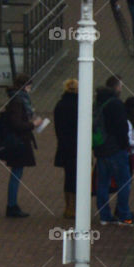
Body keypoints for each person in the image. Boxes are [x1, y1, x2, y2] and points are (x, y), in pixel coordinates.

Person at [94, 75, 133, 225]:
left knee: (102, 183)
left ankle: (105, 215)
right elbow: (121, 128)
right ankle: (124, 215)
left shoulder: (98, 103)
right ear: (116, 87)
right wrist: (125, 145)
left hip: (101, 148)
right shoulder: (116, 104)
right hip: (115, 149)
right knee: (124, 182)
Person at [3, 73, 40, 218]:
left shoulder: (17, 99)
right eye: (29, 86)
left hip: (17, 140)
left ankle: (12, 204)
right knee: (16, 174)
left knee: (16, 173)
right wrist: (33, 124)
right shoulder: (19, 101)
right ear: (25, 86)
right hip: (19, 142)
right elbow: (17, 124)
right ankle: (11, 205)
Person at [53, 76, 78, 220]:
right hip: (77, 146)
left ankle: (68, 207)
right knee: (77, 178)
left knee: (68, 177)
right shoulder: (79, 105)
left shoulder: (60, 105)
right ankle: (75, 207)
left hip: (64, 146)